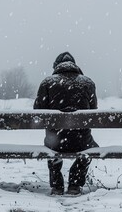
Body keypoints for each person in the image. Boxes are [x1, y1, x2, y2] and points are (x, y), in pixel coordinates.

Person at [34, 52, 99, 195]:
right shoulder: (88, 83)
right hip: (82, 141)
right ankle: (75, 184)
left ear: (56, 66)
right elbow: (93, 112)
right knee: (92, 148)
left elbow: (38, 111)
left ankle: (57, 186)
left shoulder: (47, 83)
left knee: (51, 147)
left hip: (55, 141)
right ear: (75, 65)